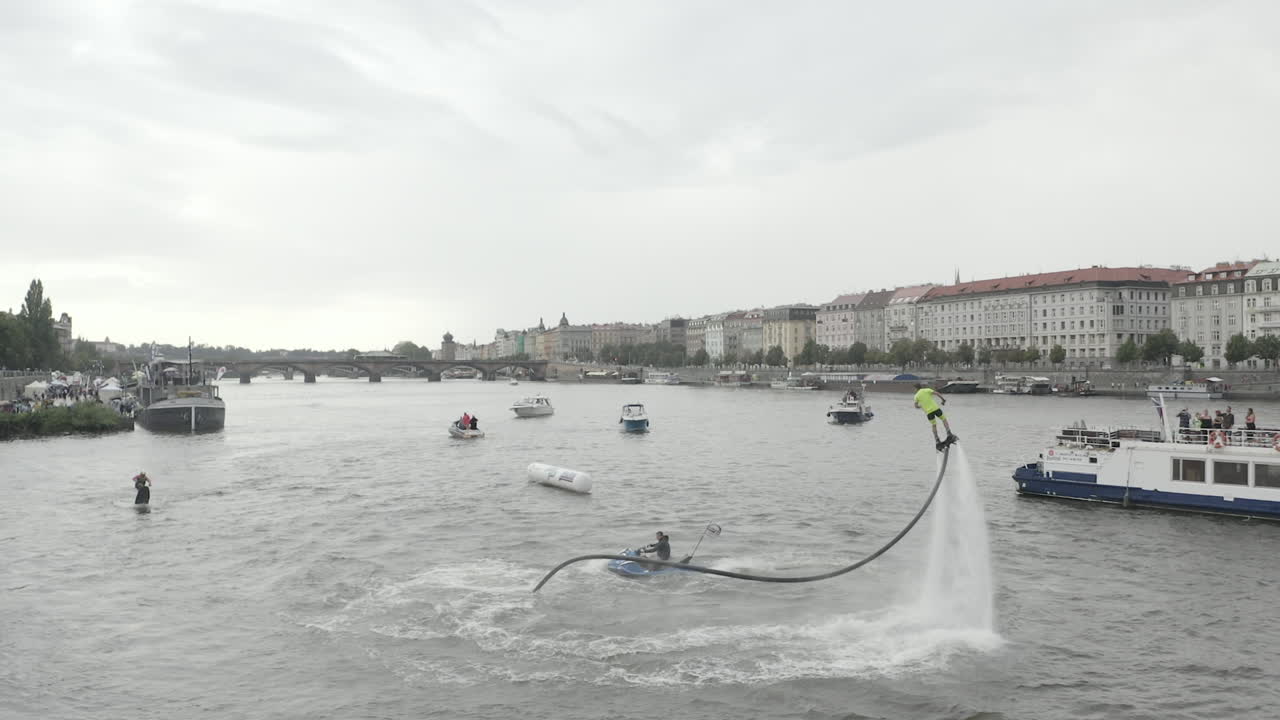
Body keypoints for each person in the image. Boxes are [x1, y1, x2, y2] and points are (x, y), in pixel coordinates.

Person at [913, 383, 956, 450]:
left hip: (929, 412)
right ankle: (949, 434)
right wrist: (943, 400)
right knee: (944, 419)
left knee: (934, 425)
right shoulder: (927, 390)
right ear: (921, 387)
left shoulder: (916, 396)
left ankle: (937, 440)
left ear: (915, 388)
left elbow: (915, 406)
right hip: (936, 408)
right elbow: (937, 393)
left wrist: (921, 406)